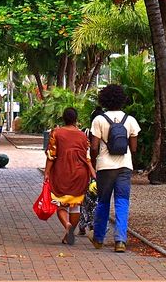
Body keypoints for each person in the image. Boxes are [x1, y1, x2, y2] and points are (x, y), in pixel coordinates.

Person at [89, 84, 140, 253]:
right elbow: (133, 148)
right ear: (122, 99)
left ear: (104, 100)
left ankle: (98, 238)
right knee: (122, 202)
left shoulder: (99, 120)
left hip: (105, 166)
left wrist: (96, 158)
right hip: (124, 166)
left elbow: (94, 146)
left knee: (103, 202)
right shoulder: (130, 120)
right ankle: (120, 241)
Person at [45, 107, 95, 246]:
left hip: (62, 172)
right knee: (76, 205)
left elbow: (51, 155)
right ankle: (70, 232)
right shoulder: (83, 136)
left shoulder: (57, 133)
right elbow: (87, 156)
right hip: (80, 173)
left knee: (61, 204)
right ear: (76, 119)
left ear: (63, 118)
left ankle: (67, 225)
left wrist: (47, 173)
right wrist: (92, 172)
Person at [78, 106, 104, 236]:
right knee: (98, 198)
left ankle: (82, 225)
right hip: (102, 168)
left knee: (85, 198)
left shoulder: (85, 132)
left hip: (87, 169)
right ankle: (94, 223)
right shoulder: (106, 131)